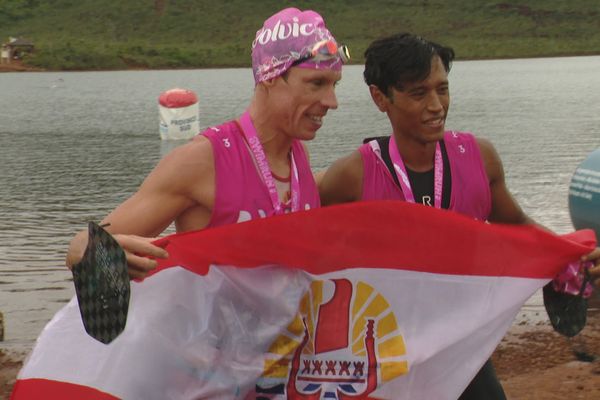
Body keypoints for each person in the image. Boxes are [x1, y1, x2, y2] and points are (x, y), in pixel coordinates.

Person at [318, 33, 600, 400]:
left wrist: (567, 251)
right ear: (380, 97)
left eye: (442, 89)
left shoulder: (479, 159)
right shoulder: (353, 176)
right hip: (383, 350)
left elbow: (516, 225)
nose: (436, 105)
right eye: (418, 94)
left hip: (461, 348)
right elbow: (309, 247)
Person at [65, 7, 349, 278]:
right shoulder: (203, 160)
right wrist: (83, 247)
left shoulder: (299, 158)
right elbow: (87, 246)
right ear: (270, 77)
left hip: (289, 327)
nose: (331, 102)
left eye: (333, 85)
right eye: (316, 83)